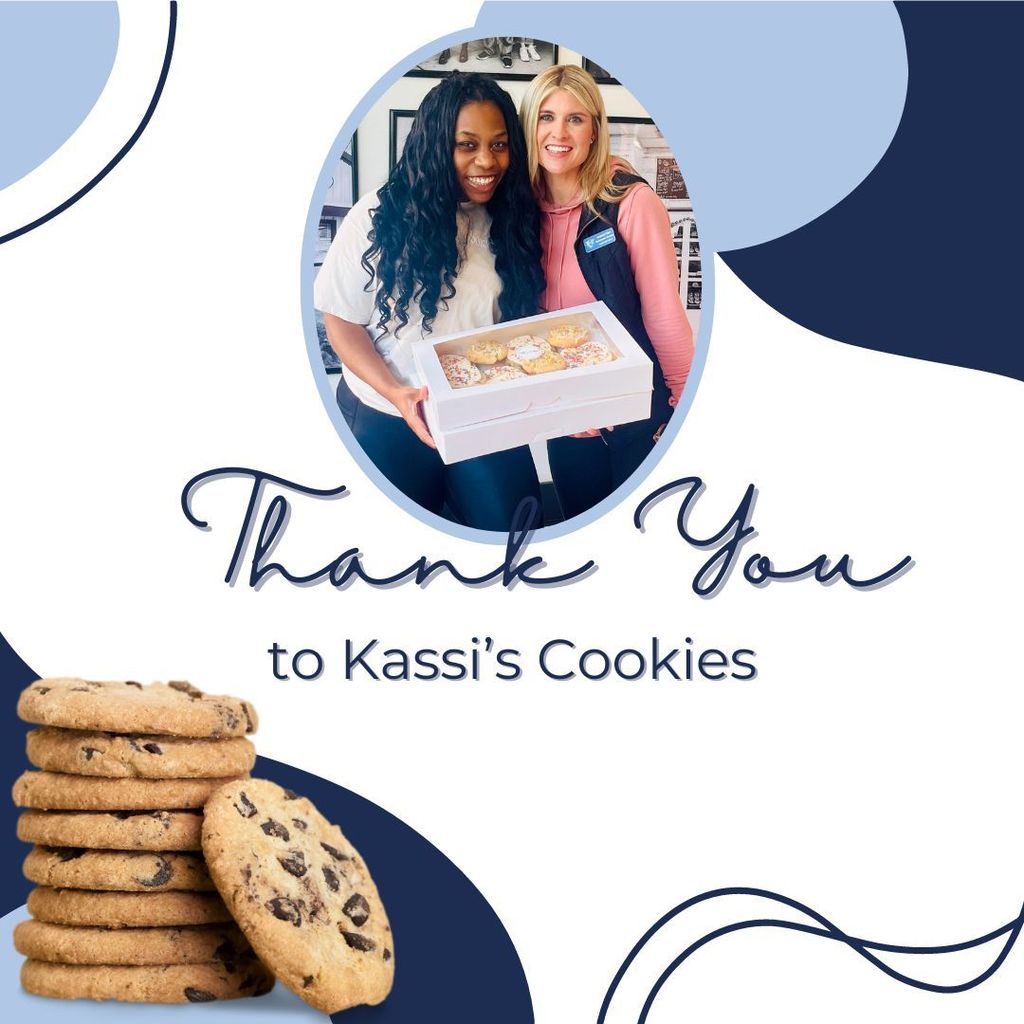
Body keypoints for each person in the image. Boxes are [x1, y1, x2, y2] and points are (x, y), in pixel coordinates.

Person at [314, 73, 545, 531]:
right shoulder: (376, 217)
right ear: (436, 146)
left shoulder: (512, 219)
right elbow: (341, 321)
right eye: (467, 145)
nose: (487, 160)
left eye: (499, 145)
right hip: (386, 412)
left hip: (478, 414)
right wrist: (396, 393)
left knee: (516, 532)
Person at [519, 65, 694, 519]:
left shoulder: (630, 202)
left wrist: (684, 404)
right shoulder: (517, 209)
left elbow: (662, 312)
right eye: (546, 117)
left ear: (595, 130)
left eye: (575, 119)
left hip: (637, 410)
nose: (559, 133)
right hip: (566, 418)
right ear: (529, 125)